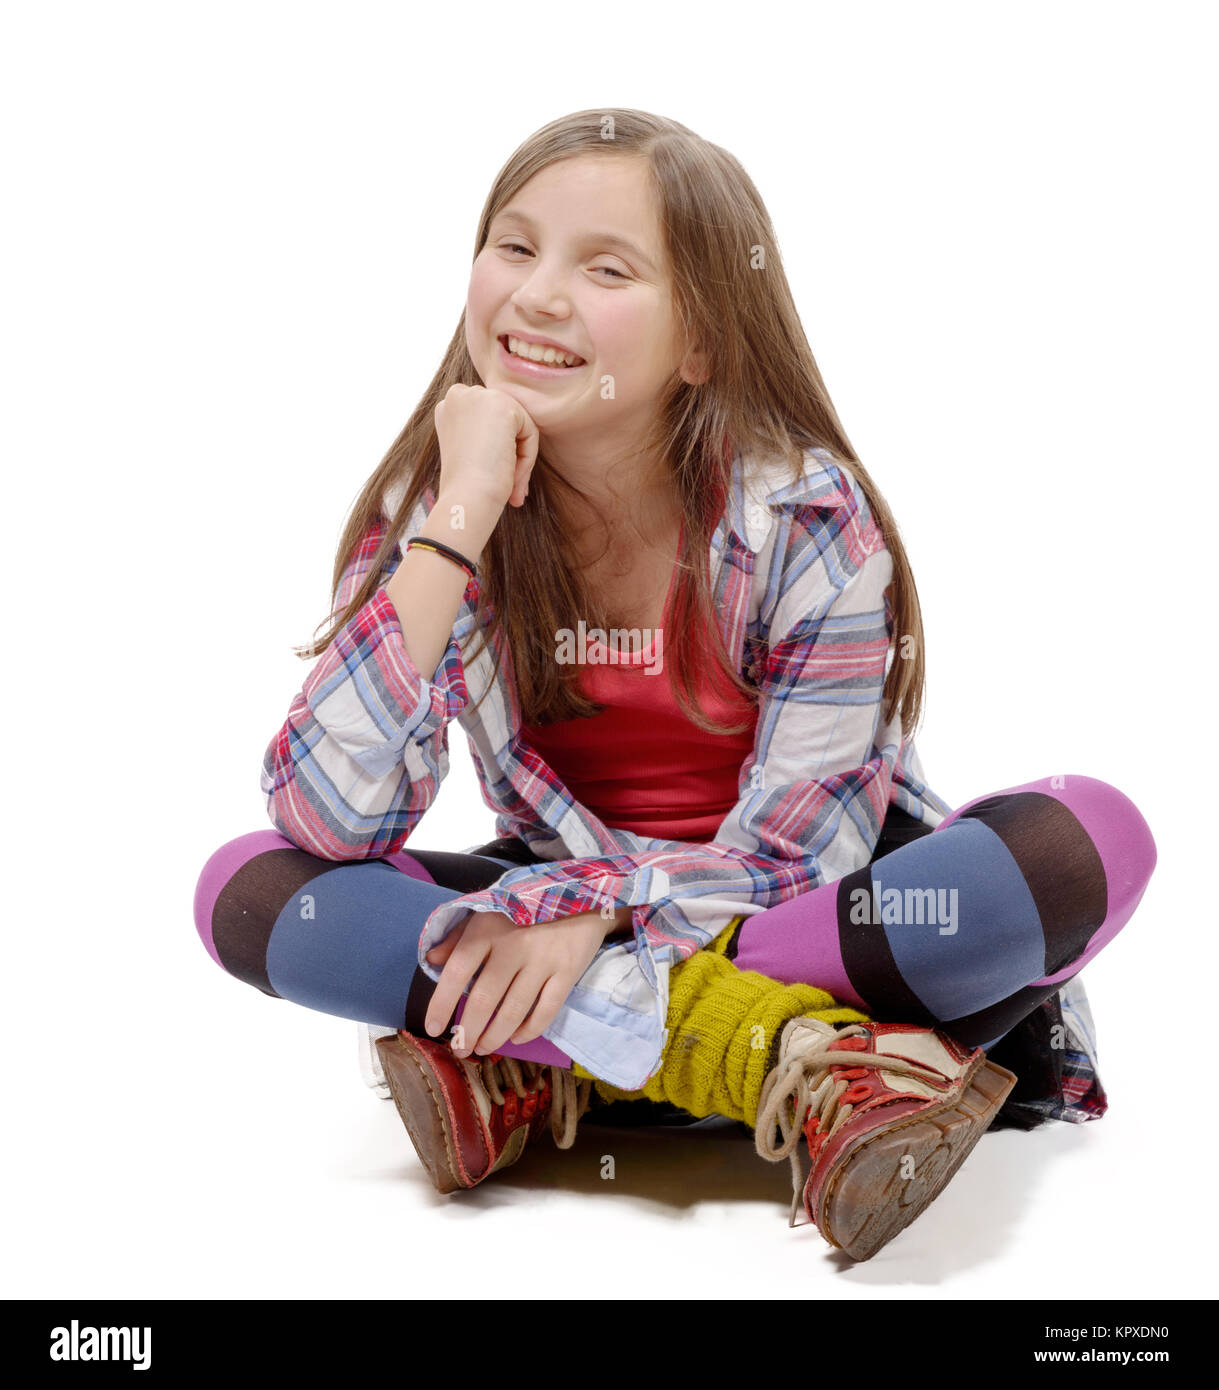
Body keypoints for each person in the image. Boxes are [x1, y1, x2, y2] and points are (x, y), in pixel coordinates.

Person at [193, 109, 1157, 1262]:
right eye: (514, 245)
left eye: (605, 268)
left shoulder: (805, 516)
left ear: (700, 339)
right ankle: (795, 1059)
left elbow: (806, 855)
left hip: (805, 908)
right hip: (558, 907)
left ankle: (546, 1061)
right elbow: (324, 819)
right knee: (249, 892)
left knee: (1080, 842)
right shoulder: (432, 519)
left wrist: (588, 913)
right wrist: (451, 526)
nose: (539, 295)